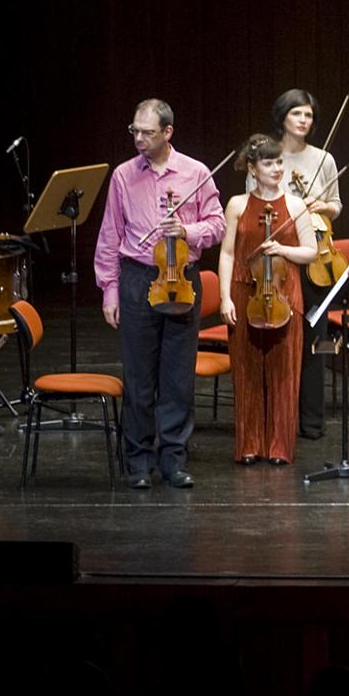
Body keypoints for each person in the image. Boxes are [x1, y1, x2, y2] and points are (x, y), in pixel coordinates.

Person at [92, 98, 226, 489]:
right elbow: (109, 236)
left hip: (181, 277)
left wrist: (188, 231)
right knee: (138, 377)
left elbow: (216, 224)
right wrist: (109, 291)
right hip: (137, 278)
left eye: (147, 132)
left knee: (177, 377)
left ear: (168, 132)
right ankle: (137, 460)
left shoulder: (196, 172)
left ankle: (173, 459)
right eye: (134, 131)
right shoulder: (122, 176)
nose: (138, 138)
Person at [218, 134, 317, 465]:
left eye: (279, 162)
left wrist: (282, 249)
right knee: (246, 372)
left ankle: (278, 447)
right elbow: (228, 252)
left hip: (285, 295)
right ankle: (248, 444)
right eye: (268, 163)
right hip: (244, 290)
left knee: (283, 373)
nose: (276, 168)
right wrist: (224, 298)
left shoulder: (296, 205)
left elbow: (311, 251)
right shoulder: (236, 204)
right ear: (252, 168)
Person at [249, 89, 341, 440]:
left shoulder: (324, 159)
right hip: (276, 261)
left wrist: (320, 207)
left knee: (314, 343)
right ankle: (275, 419)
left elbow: (337, 205)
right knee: (275, 340)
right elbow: (253, 206)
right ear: (282, 117)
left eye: (309, 115)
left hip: (315, 256)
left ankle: (312, 422)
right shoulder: (267, 156)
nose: (304, 120)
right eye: (297, 114)